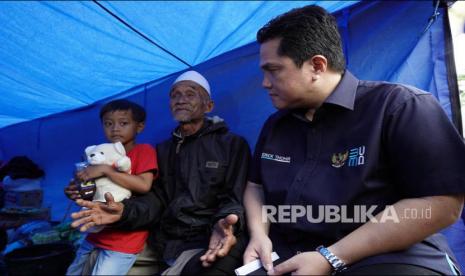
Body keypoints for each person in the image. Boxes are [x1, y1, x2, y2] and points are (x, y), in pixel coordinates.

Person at [243, 5, 465, 275]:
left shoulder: (400, 106)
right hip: (289, 255)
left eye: (273, 70)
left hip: (387, 257)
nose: (265, 83)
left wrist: (330, 257)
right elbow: (256, 187)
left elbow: (442, 204)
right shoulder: (275, 126)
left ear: (317, 65)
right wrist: (259, 234)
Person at [71, 71, 251, 275]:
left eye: (190, 94)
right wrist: (123, 212)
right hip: (163, 241)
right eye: (175, 95)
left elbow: (234, 198)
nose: (180, 100)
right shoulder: (163, 150)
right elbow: (155, 200)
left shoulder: (232, 145)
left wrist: (226, 222)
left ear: (208, 106)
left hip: (205, 238)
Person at [65, 99, 158, 275]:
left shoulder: (143, 151)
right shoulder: (97, 156)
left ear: (139, 127)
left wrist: (107, 171)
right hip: (95, 233)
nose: (115, 128)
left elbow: (144, 185)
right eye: (108, 123)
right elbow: (89, 194)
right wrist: (76, 191)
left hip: (125, 239)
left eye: (123, 123)